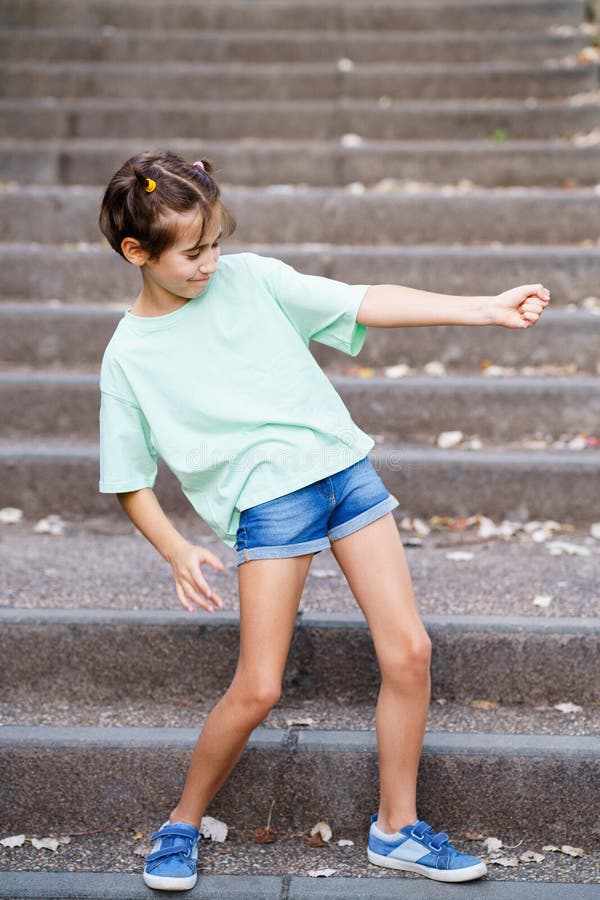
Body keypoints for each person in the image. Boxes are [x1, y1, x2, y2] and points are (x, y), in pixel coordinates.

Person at [97, 150, 550, 891]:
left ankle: (397, 829)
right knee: (259, 687)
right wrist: (177, 548)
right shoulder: (129, 356)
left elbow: (361, 300)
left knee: (410, 652)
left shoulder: (252, 278)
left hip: (344, 473)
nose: (212, 261)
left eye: (216, 240)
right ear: (135, 253)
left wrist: (481, 307)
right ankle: (180, 823)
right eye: (192, 252)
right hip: (270, 507)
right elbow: (128, 480)